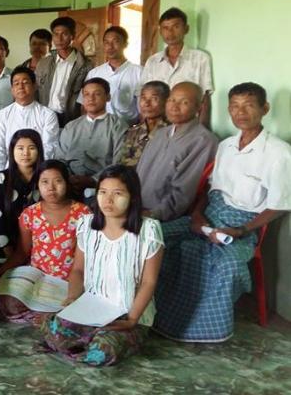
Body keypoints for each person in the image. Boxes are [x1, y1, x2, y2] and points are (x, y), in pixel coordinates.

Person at [153, 82, 291, 343]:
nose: (241, 112)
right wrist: (197, 217)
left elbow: (278, 206)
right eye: (234, 106)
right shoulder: (226, 145)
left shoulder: (279, 153)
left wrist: (240, 230)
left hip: (242, 226)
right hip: (208, 216)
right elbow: (210, 190)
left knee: (227, 265)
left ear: (264, 109)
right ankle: (154, 311)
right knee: (155, 235)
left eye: (248, 106)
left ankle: (203, 330)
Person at [40, 165, 163, 367]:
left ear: (133, 197)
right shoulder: (87, 225)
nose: (108, 200)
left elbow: (149, 282)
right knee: (54, 330)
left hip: (129, 314)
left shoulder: (148, 230)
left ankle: (87, 343)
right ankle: (83, 340)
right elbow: (78, 270)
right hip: (93, 307)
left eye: (117, 193)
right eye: (103, 192)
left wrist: (132, 319)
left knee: (104, 350)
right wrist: (72, 298)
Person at [0, 160, 90, 323]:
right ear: (38, 185)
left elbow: (81, 264)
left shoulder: (83, 214)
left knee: (73, 304)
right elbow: (22, 252)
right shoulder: (30, 214)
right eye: (45, 182)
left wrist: (73, 294)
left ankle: (51, 314)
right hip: (37, 279)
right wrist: (1, 270)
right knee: (9, 302)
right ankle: (48, 316)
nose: (51, 187)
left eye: (58, 181)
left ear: (66, 183)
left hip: (68, 280)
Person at [136, 82, 218, 222]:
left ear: (199, 107)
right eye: (171, 100)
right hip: (136, 207)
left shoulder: (203, 141)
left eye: (184, 102)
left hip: (160, 216)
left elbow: (185, 191)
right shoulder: (161, 133)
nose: (174, 107)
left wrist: (153, 214)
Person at [54, 78, 128, 198]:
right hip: (68, 184)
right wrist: (68, 178)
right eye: (86, 94)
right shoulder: (71, 126)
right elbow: (60, 159)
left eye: (97, 94)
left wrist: (93, 180)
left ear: (108, 97)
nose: (91, 98)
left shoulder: (118, 125)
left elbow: (119, 163)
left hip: (103, 186)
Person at [140, 7, 213, 125]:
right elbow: (144, 95)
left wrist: (202, 129)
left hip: (188, 124)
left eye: (176, 27)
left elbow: (205, 98)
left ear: (186, 29)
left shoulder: (200, 58)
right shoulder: (152, 61)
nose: (170, 32)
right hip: (157, 124)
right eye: (165, 28)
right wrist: (145, 127)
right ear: (160, 31)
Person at [0, 129, 44, 266]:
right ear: (12, 151)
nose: (25, 153)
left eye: (31, 148)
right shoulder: (0, 179)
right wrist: (11, 255)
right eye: (20, 148)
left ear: (39, 151)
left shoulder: (45, 179)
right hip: (5, 249)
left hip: (41, 250)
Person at [0, 67, 59, 173]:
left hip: (38, 172)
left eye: (25, 82)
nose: (21, 87)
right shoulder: (1, 116)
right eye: (16, 83)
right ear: (12, 89)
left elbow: (49, 147)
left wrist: (39, 173)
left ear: (34, 86)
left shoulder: (48, 115)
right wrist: (0, 175)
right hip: (9, 171)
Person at [35, 17, 93, 127]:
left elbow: (87, 97)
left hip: (72, 119)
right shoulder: (43, 63)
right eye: (56, 34)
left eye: (64, 34)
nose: (59, 39)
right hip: (45, 117)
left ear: (72, 36)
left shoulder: (85, 66)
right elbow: (36, 91)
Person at [85, 26, 143, 123]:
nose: (110, 46)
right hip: (99, 127)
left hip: (129, 127)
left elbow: (144, 109)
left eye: (115, 41)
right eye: (106, 42)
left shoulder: (139, 72)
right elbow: (84, 105)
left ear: (125, 44)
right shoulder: (94, 73)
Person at [115, 81, 170, 167]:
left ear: (167, 101)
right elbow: (122, 163)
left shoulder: (172, 131)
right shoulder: (133, 131)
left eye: (154, 99)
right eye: (143, 98)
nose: (147, 104)